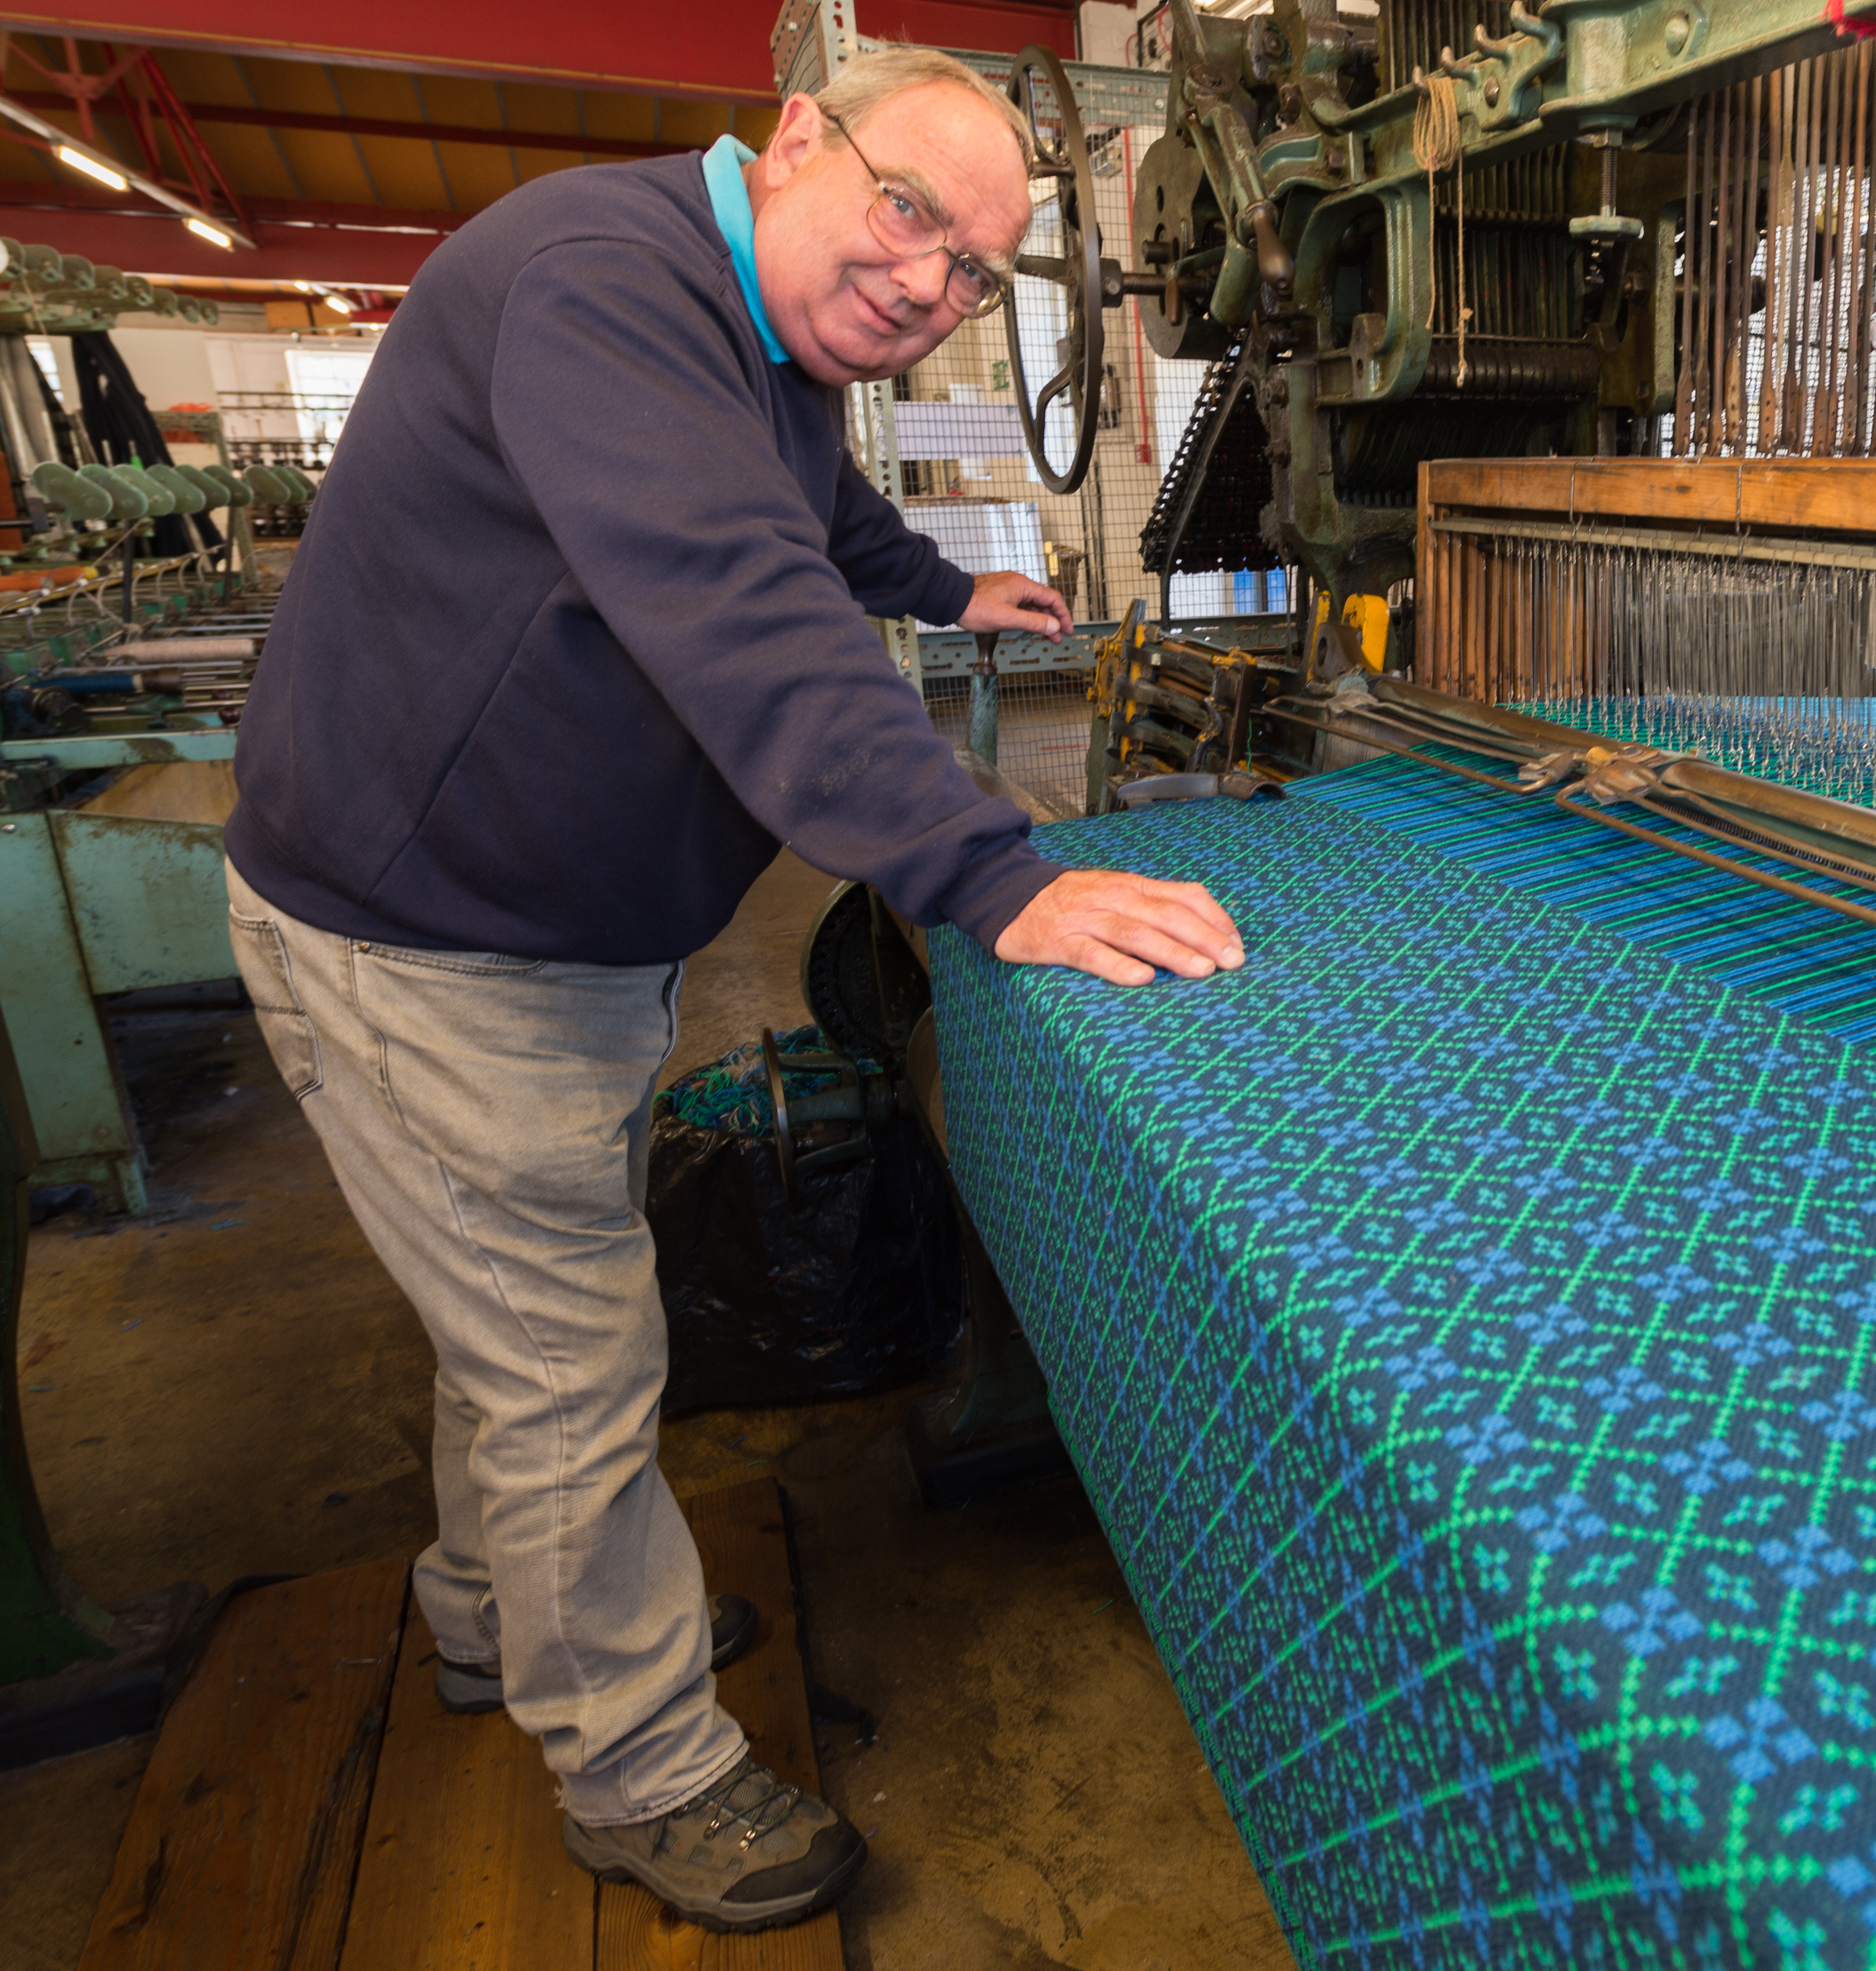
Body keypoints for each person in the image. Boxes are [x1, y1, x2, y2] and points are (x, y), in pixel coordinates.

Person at [220, 47, 1241, 1934]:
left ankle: (498, 1614)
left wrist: (946, 587)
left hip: (550, 930)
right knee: (567, 1356)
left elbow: (807, 514)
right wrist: (986, 870)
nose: (928, 282)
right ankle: (637, 1761)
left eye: (971, 270)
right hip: (425, 936)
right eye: (910, 216)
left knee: (523, 1310)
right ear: (792, 141)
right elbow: (745, 605)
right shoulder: (600, 285)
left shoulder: (760, 341)